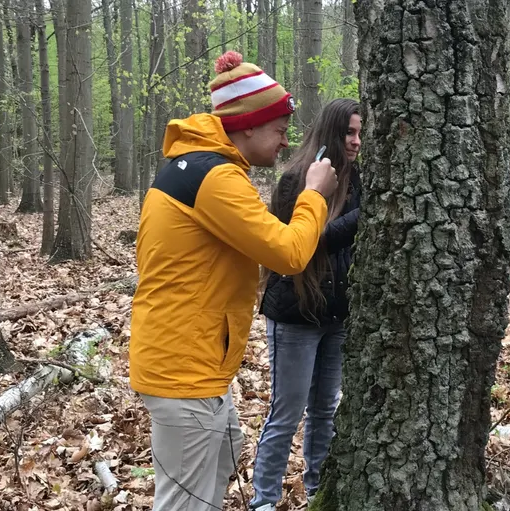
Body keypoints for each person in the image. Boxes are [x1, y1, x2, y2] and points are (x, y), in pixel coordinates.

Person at [129, 50, 338, 511]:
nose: (286, 142)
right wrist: (314, 195)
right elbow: (288, 254)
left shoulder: (197, 165)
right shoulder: (214, 177)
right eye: (280, 131)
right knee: (186, 502)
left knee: (226, 447)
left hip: (189, 361)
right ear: (248, 126)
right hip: (184, 370)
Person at [250, 98, 363, 511]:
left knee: (324, 411)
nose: (355, 141)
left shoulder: (359, 179)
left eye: (359, 132)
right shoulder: (295, 180)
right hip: (295, 313)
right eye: (348, 132)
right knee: (287, 412)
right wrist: (365, 215)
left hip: (337, 315)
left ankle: (317, 490)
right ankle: (263, 500)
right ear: (332, 132)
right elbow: (310, 243)